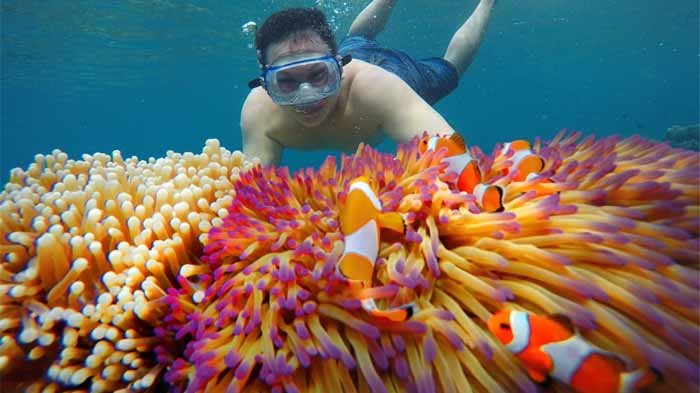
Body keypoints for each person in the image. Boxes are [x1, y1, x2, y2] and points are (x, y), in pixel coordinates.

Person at [241, 0, 497, 166]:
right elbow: (252, 196)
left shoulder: (380, 90)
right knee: (357, 37)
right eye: (286, 81)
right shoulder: (259, 113)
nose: (307, 96)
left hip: (397, 73)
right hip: (355, 51)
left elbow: (454, 158)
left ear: (339, 65)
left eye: (319, 75)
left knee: (448, 72)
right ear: (265, 83)